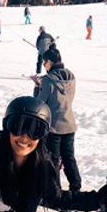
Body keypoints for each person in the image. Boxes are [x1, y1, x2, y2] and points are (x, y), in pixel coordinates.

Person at [36, 46, 82, 193]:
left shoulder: (47, 80)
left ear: (49, 62)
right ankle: (76, 186)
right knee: (69, 158)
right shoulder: (71, 76)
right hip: (69, 124)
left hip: (54, 127)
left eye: (45, 63)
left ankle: (55, 191)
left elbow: (40, 103)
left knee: (53, 159)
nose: (44, 66)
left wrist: (38, 87)